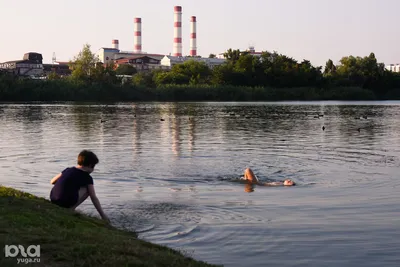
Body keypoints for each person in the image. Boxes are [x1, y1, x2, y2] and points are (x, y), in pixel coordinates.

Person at [50, 150, 110, 223]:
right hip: (65, 203)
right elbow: (93, 197)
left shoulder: (68, 170)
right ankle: (71, 209)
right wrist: (103, 216)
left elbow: (52, 181)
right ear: (91, 165)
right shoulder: (87, 177)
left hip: (53, 199)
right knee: (88, 191)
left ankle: (66, 204)